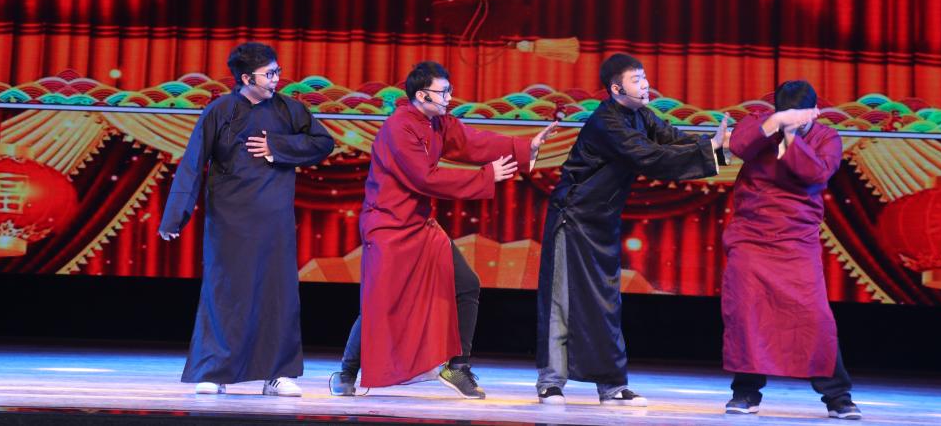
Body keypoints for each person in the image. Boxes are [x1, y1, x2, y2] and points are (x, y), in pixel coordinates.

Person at [329, 61, 556, 399]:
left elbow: (472, 142)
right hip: (387, 225)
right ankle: (348, 370)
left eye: (449, 90)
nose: (449, 97)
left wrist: (524, 148)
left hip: (419, 224)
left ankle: (457, 366)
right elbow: (425, 178)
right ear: (422, 95)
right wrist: (485, 176)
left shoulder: (438, 122)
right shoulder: (399, 128)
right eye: (443, 92)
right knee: (381, 300)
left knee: (467, 284)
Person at [535, 53, 729, 407]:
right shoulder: (606, 123)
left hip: (602, 221)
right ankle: (551, 381)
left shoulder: (641, 114)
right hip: (573, 218)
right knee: (562, 300)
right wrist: (709, 150)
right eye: (636, 80)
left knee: (606, 304)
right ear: (616, 88)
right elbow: (649, 157)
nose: (645, 84)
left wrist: (714, 148)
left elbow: (671, 140)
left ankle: (611, 385)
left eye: (644, 77)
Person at [158, 42, 335, 396]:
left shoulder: (289, 110)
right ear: (245, 78)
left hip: (274, 221)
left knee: (277, 295)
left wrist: (278, 147)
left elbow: (322, 142)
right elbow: (193, 162)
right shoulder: (220, 111)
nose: (276, 79)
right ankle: (215, 371)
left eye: (277, 72)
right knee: (226, 293)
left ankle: (277, 374)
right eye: (269, 74)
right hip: (229, 221)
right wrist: (175, 216)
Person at [722, 80, 861, 420]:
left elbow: (815, 173)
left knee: (814, 318)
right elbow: (739, 145)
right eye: (786, 115)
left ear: (815, 112)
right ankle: (745, 392)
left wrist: (791, 137)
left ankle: (837, 396)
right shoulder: (762, 125)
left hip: (796, 240)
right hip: (752, 237)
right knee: (747, 313)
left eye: (801, 116)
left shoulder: (827, 138)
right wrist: (776, 123)